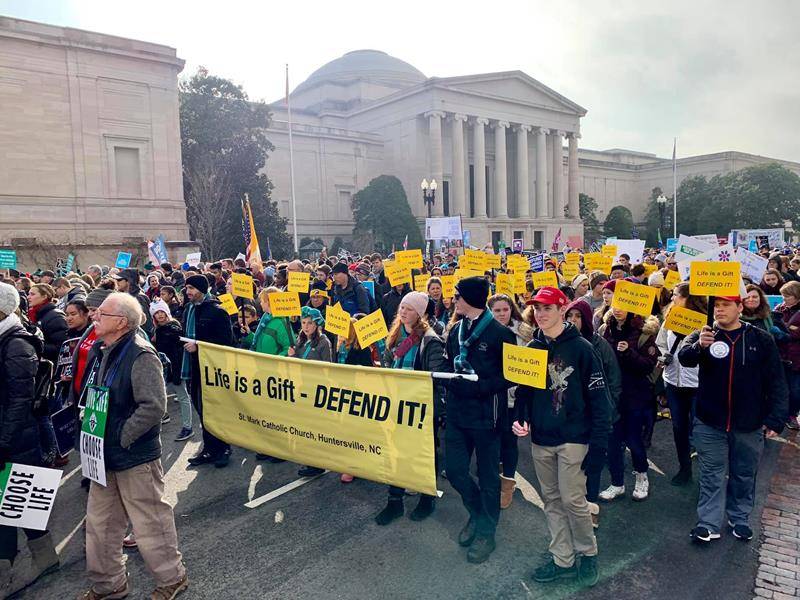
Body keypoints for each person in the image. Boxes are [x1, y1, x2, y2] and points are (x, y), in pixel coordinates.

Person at [77, 292, 188, 600]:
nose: (94, 317)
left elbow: (153, 407)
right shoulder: (105, 350)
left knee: (150, 522)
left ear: (121, 322)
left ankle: (172, 578)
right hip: (103, 455)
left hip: (133, 455)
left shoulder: (141, 355)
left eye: (102, 313)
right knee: (100, 525)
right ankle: (109, 584)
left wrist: (122, 437)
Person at [513, 286, 611, 587]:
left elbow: (599, 400)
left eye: (547, 308)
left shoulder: (582, 348)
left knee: (572, 500)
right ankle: (562, 559)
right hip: (542, 437)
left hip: (574, 437)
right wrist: (521, 418)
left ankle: (588, 553)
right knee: (552, 501)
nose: (541, 314)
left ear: (562, 309)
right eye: (537, 309)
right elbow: (524, 394)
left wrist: (598, 446)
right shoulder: (532, 349)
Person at [679, 295, 788, 544]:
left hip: (748, 423)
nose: (719, 310)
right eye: (716, 306)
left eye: (725, 305)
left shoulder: (760, 339)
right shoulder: (703, 334)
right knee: (711, 474)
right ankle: (707, 523)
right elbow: (685, 358)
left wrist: (775, 418)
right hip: (709, 421)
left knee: (743, 473)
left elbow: (776, 381)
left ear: (740, 308)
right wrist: (699, 347)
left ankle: (739, 518)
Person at [444, 277, 515, 564]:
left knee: (488, 478)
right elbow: (449, 363)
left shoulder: (501, 334)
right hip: (458, 414)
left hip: (487, 416)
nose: (453, 301)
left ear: (471, 298)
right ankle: (477, 513)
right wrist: (448, 378)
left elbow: (509, 375)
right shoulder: (454, 331)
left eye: (457, 296)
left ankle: (487, 531)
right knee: (455, 470)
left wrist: (478, 386)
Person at [0, 283, 60, 597]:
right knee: (11, 506)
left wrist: (4, 442)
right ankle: (28, 561)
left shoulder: (15, 344)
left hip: (16, 437)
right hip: (11, 435)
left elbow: (19, 400)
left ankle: (38, 560)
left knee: (19, 504)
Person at [375, 292, 448, 524]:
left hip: (421, 407)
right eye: (402, 307)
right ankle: (394, 501)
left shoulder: (430, 340)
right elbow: (388, 361)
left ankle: (427, 498)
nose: (403, 311)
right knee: (394, 453)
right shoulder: (396, 334)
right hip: (396, 404)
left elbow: (436, 377)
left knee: (423, 454)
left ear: (420, 313)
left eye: (409, 308)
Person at [564, 298, 622, 527]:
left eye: (577, 316)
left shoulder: (599, 345)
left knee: (593, 462)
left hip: (597, 414)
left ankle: (590, 509)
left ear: (586, 319)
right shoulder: (563, 343)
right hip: (573, 416)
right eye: (569, 316)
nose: (572, 321)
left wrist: (608, 410)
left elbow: (614, 380)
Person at [598, 303, 660, 502]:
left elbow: (648, 367)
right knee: (613, 441)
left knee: (634, 440)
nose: (617, 309)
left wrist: (628, 353)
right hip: (611, 395)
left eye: (623, 306)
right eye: (615, 305)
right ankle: (617, 483)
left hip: (635, 396)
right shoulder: (604, 328)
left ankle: (642, 476)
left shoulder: (643, 332)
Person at [182, 275, 235, 468]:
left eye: (192, 288)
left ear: (202, 290)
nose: (188, 291)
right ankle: (209, 449)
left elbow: (227, 343)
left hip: (213, 370)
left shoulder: (217, 311)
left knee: (216, 410)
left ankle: (224, 449)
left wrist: (199, 347)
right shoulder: (189, 310)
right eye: (187, 288)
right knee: (202, 411)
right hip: (194, 368)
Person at [655, 282, 705, 486]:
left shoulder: (705, 322)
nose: (672, 298)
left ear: (688, 298)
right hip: (673, 382)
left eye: (676, 294)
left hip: (697, 384)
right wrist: (663, 355)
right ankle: (684, 468)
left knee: (701, 429)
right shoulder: (670, 317)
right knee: (679, 427)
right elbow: (661, 341)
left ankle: (707, 471)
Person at [488, 294, 533, 509]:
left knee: (510, 440)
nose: (502, 314)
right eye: (497, 310)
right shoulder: (483, 332)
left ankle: (507, 483)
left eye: (505, 309)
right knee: (492, 438)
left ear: (511, 310)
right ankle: (496, 475)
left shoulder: (524, 334)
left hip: (515, 398)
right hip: (490, 397)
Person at [151, 299, 193, 442]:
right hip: (163, 368)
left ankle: (188, 427)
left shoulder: (174, 328)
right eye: (156, 313)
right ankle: (164, 416)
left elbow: (181, 347)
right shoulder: (158, 329)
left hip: (176, 368)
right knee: (159, 394)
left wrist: (179, 370)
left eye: (162, 311)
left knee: (183, 397)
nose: (160, 315)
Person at [775, 280, 800, 430]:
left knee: (796, 390)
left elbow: (795, 332)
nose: (784, 300)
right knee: (780, 388)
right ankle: (781, 415)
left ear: (797, 296)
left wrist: (788, 333)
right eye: (783, 296)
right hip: (780, 356)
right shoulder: (780, 308)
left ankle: (792, 414)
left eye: (787, 296)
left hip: (797, 358)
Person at [27, 283, 69, 364]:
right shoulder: (35, 314)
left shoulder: (55, 317)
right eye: (28, 294)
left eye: (32, 294)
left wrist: (36, 345)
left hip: (50, 366)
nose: (28, 297)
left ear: (44, 296)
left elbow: (61, 348)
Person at [112, 268, 153, 335]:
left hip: (137, 337)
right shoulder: (123, 296)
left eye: (119, 280)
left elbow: (147, 325)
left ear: (128, 281)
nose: (116, 282)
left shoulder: (139, 298)